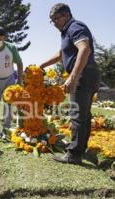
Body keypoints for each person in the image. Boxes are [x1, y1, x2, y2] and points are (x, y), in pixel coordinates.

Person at [39, 3, 100, 164]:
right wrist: (41, 66)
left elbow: (84, 49)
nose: (54, 24)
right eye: (52, 21)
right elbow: (61, 54)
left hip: (83, 75)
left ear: (66, 15)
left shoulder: (75, 26)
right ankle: (81, 150)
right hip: (88, 74)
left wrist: (73, 77)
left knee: (77, 114)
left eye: (56, 19)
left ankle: (73, 155)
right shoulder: (66, 32)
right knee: (84, 116)